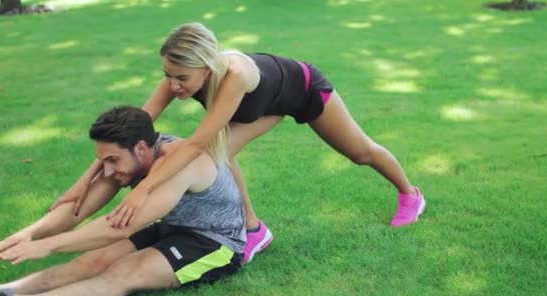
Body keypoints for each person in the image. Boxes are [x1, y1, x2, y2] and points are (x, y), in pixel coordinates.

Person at [51, 22, 426, 265]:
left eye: (182, 78)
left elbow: (199, 142)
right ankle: (252, 227)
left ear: (206, 66)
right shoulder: (180, 73)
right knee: (222, 152)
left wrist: (142, 191)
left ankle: (410, 194)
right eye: (168, 75)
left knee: (360, 152)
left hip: (302, 90)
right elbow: (131, 131)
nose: (174, 86)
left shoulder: (233, 75)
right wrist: (82, 182)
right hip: (265, 106)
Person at [0, 106, 245, 296]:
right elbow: (78, 210)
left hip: (214, 243)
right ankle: (1, 293)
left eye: (113, 160)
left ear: (141, 148)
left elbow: (120, 227)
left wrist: (48, 245)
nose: (107, 171)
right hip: (174, 227)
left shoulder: (179, 163)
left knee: (122, 273)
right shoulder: (128, 160)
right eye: (103, 161)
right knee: (92, 260)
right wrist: (30, 234)